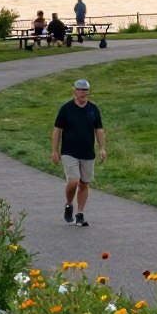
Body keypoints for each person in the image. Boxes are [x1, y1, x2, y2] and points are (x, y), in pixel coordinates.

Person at [51, 78, 107, 228]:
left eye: (85, 90)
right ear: (74, 91)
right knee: (74, 181)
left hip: (87, 152)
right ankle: (69, 204)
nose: (82, 93)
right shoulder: (66, 109)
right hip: (69, 151)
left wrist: (102, 148)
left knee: (84, 184)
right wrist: (55, 150)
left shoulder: (93, 109)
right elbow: (57, 130)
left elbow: (99, 130)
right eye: (79, 90)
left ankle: (80, 214)